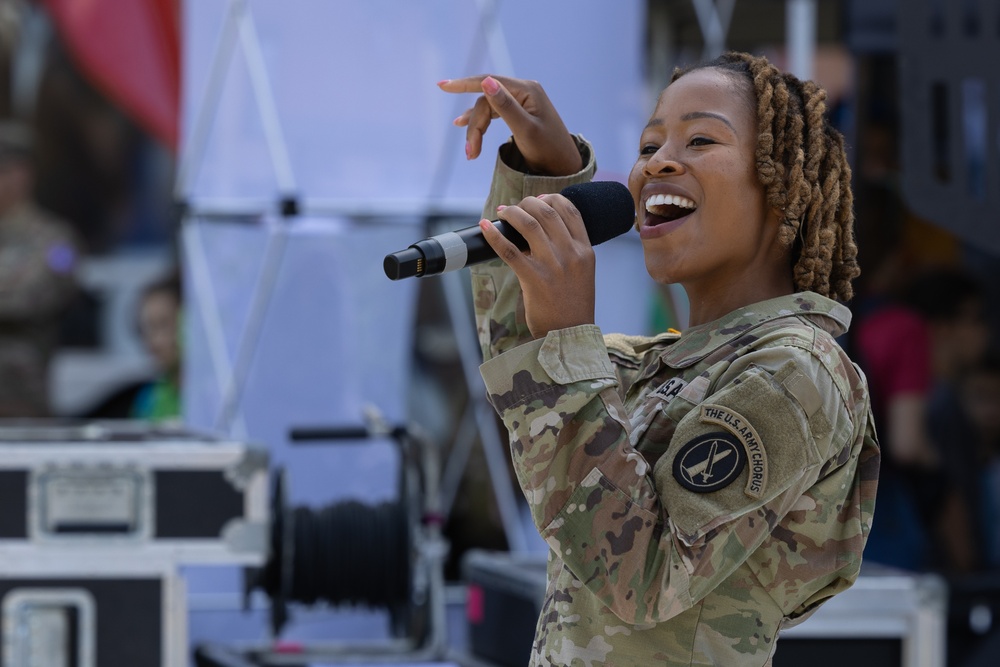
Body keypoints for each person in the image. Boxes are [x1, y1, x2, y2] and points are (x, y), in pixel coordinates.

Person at [439, 51, 879, 665]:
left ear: (783, 184)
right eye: (648, 147)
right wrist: (548, 176)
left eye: (701, 139)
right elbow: (528, 375)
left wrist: (569, 340)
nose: (658, 163)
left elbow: (644, 579)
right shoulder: (661, 365)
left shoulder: (796, 373)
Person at [0, 120, 80, 418]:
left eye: (5, 171)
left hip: (23, 395)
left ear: (23, 174)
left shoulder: (54, 239)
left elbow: (39, 295)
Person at [130, 273, 182, 422]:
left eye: (163, 325)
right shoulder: (148, 401)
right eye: (147, 329)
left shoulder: (215, 397)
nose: (153, 342)